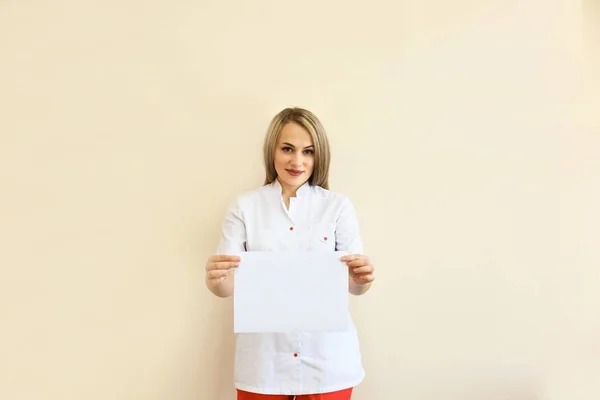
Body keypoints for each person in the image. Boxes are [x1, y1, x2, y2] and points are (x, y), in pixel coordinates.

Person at [204, 107, 375, 400]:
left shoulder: (337, 207)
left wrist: (363, 278)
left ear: (318, 156)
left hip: (328, 362)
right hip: (264, 362)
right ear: (272, 150)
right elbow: (227, 286)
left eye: (308, 151)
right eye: (288, 149)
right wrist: (216, 279)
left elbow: (355, 286)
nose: (298, 161)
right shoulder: (244, 207)